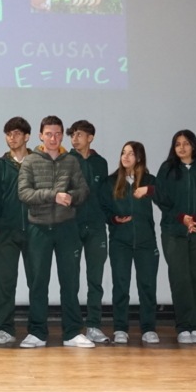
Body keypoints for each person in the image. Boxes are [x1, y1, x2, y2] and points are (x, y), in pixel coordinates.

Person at [17, 115, 93, 348]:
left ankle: (72, 332)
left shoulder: (71, 161)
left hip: (66, 227)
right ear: (40, 136)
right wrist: (53, 196)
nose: (53, 138)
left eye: (58, 134)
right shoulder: (30, 161)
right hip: (38, 228)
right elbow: (24, 193)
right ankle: (37, 332)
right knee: (38, 282)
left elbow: (83, 190)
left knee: (70, 282)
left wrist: (72, 197)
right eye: (49, 134)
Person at [154, 130, 196, 344]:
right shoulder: (167, 169)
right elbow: (161, 198)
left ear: (194, 146)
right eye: (177, 144)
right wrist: (181, 218)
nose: (181, 147)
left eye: (186, 143)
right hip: (174, 232)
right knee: (180, 279)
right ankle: (183, 327)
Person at [99, 141, 160, 344]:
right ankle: (120, 328)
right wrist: (114, 219)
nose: (125, 157)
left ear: (139, 157)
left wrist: (149, 190)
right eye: (123, 153)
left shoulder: (149, 180)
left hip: (146, 242)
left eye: (131, 153)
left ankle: (148, 328)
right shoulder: (111, 182)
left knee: (147, 286)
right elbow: (103, 208)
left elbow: (167, 196)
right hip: (120, 241)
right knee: (121, 285)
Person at [0, 117, 35, 345]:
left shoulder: (38, 163)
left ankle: (37, 329)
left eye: (16, 133)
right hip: (6, 232)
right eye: (8, 134)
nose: (12, 138)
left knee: (37, 282)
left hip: (35, 231)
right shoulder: (0, 166)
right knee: (5, 283)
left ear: (27, 136)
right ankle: (6, 328)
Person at [67, 120, 110, 343]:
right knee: (71, 280)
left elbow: (105, 195)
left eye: (79, 134)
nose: (75, 139)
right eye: (72, 135)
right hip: (71, 226)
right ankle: (73, 327)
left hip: (96, 227)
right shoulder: (66, 161)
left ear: (90, 137)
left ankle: (94, 325)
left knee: (95, 279)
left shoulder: (100, 163)